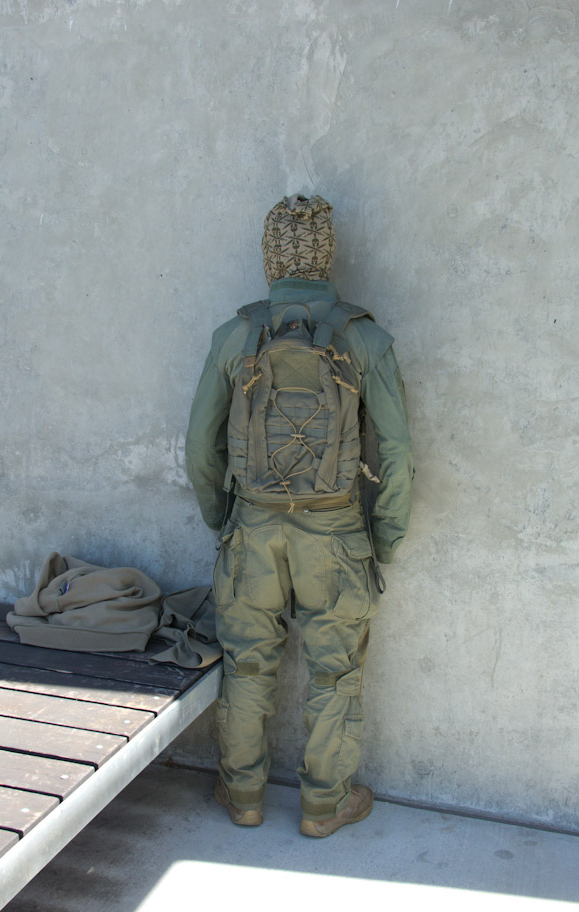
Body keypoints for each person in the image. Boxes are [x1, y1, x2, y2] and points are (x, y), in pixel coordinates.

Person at [185, 194, 413, 837]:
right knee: (335, 672)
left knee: (246, 663)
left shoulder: (234, 337)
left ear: (269, 257)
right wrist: (384, 540)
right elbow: (397, 451)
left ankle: (243, 796)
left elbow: (199, 446)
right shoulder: (365, 339)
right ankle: (323, 805)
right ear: (327, 256)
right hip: (337, 533)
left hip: (252, 528)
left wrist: (223, 519)